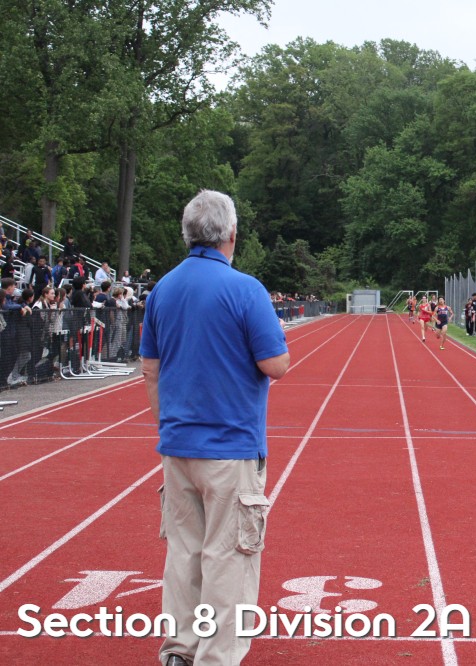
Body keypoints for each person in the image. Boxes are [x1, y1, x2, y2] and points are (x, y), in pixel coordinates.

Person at [139, 190, 289, 666]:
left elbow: (150, 368)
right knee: (229, 558)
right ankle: (217, 657)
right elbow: (276, 364)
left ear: (187, 234)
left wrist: (168, 425)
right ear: (231, 235)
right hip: (230, 447)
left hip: (177, 445)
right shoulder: (246, 289)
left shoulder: (162, 289)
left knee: (184, 553)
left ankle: (179, 650)